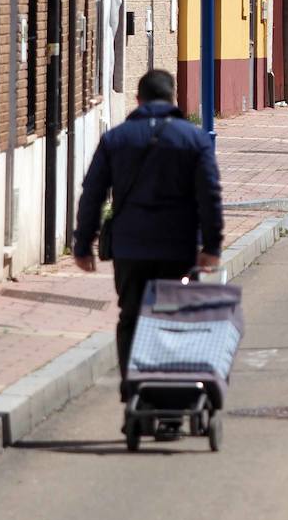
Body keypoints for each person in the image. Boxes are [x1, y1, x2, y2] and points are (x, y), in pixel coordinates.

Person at [73, 68, 223, 392]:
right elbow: (209, 196)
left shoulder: (115, 139)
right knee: (173, 317)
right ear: (173, 98)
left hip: (130, 249)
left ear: (138, 100)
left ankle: (134, 387)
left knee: (130, 317)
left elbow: (93, 194)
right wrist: (212, 247)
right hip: (178, 249)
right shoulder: (193, 139)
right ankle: (172, 393)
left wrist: (83, 244)